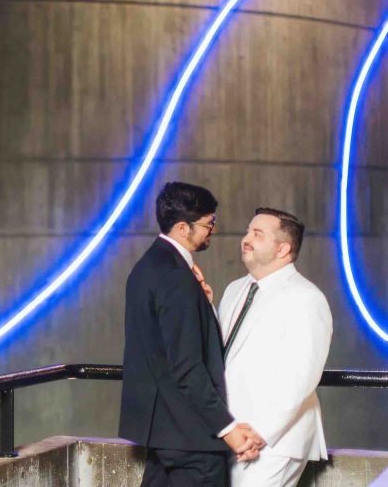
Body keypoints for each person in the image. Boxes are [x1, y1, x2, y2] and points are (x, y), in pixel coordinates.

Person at [119, 182, 265, 486]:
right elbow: (187, 366)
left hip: (160, 433)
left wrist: (204, 304)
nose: (213, 229)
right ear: (183, 228)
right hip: (191, 437)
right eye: (208, 223)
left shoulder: (147, 266)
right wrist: (229, 429)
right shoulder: (176, 276)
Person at [219, 208, 333, 487]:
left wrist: (261, 432)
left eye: (258, 234)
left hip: (277, 440)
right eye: (248, 231)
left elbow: (302, 376)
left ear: (283, 249)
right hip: (233, 433)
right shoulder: (234, 289)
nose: (246, 238)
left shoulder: (306, 298)